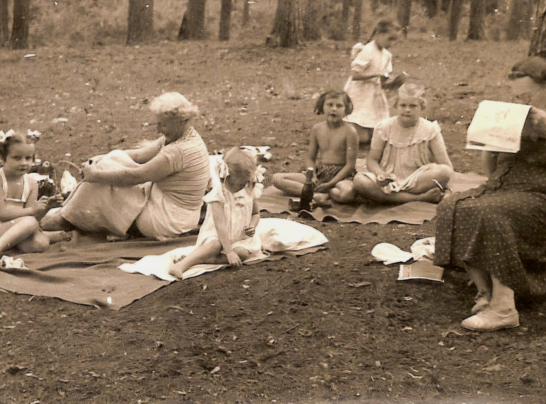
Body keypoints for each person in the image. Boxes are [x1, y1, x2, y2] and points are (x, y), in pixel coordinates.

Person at [434, 57, 546, 332]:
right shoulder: (518, 116)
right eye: (516, 97)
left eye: (526, 96)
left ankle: (504, 308)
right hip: (511, 192)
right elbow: (493, 173)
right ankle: (484, 291)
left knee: (491, 212)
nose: (521, 102)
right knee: (452, 204)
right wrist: (490, 142)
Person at [41, 92, 211, 240]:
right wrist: (101, 158)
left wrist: (95, 175)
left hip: (166, 220)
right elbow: (139, 155)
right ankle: (67, 213)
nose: (158, 129)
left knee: (103, 180)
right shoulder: (183, 136)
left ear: (180, 121)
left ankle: (65, 218)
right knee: (113, 158)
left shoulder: (176, 152)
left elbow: (135, 176)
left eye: (163, 124)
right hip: (179, 214)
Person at [333, 82, 453, 205]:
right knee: (360, 180)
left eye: (413, 106)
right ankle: (419, 198)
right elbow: (372, 159)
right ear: (396, 105)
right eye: (403, 105)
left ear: (421, 107)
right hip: (390, 179)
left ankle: (392, 197)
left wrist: (446, 185)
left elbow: (445, 164)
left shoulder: (430, 129)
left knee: (444, 171)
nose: (407, 110)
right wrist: (380, 174)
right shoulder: (384, 127)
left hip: (418, 179)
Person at [0, 130, 68, 264]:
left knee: (39, 244)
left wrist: (46, 208)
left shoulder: (31, 183)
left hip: (14, 226)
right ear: (4, 158)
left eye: (28, 158)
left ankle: (44, 236)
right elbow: (2, 214)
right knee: (30, 223)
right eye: (17, 158)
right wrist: (32, 210)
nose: (23, 163)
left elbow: (32, 219)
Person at [170, 147, 264, 279]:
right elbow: (220, 226)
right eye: (240, 183)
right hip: (218, 235)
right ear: (228, 177)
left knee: (242, 254)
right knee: (215, 245)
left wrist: (252, 226)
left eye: (245, 182)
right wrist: (229, 252)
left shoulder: (249, 188)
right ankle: (182, 265)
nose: (243, 186)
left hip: (239, 237)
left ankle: (205, 259)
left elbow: (255, 213)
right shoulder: (218, 195)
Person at [271, 91, 359, 206]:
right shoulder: (317, 129)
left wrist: (331, 183)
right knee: (277, 178)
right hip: (320, 173)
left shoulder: (350, 132)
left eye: (339, 106)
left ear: (346, 109)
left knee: (347, 193)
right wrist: (312, 175)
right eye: (330, 105)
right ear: (322, 106)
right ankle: (316, 195)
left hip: (342, 176)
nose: (334, 109)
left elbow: (350, 165)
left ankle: (324, 193)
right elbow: (310, 158)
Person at [343, 21, 395, 144]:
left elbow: (383, 79)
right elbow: (355, 75)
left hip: (374, 94)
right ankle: (343, 131)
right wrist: (376, 74)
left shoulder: (387, 55)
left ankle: (365, 132)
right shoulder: (367, 51)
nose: (391, 43)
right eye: (389, 39)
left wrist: (392, 82)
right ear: (379, 34)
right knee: (360, 135)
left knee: (377, 135)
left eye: (394, 40)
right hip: (359, 93)